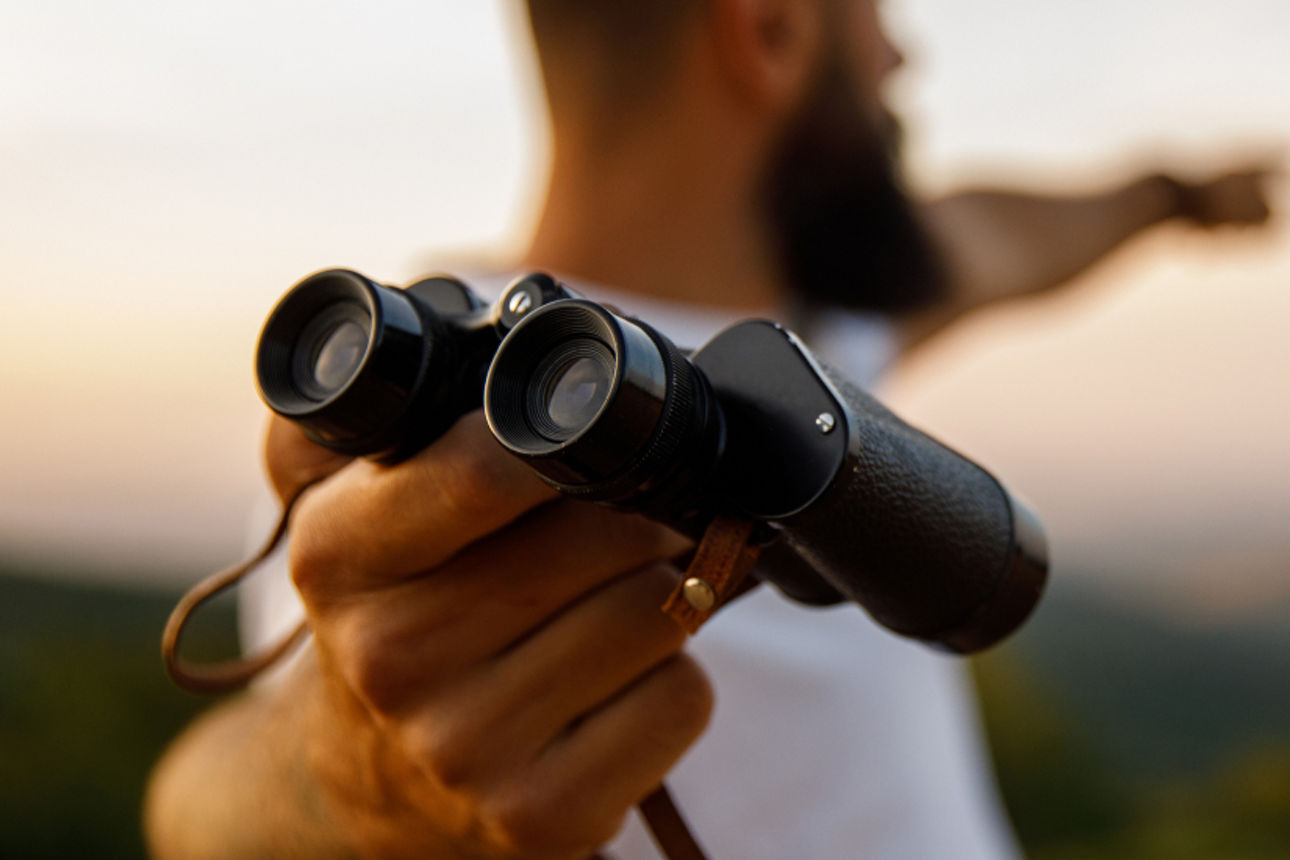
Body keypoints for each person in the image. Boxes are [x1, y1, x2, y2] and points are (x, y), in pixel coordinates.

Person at [145, 1, 1274, 858]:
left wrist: (1177, 196)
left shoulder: (828, 334)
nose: (902, 60)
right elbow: (203, 807)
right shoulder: (405, 475)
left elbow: (1003, 233)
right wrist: (347, 781)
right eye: (875, 17)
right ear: (770, 30)